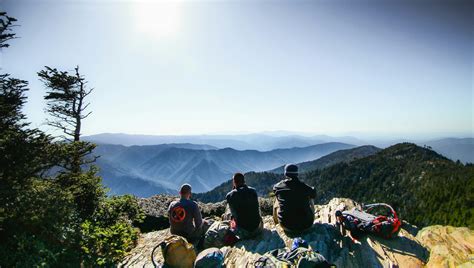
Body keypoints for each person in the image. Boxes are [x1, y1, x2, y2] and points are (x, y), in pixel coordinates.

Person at [273, 164, 316, 234]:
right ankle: (309, 216)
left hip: (286, 225)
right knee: (311, 197)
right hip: (306, 225)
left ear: (285, 173)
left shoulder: (278, 187)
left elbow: (275, 189)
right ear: (297, 173)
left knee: (277, 198)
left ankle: (276, 223)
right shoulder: (304, 187)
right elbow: (314, 193)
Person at [224, 173, 263, 239]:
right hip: (258, 229)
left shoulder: (230, 195)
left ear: (234, 182)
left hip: (243, 233)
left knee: (228, 211)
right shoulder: (253, 191)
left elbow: (233, 214)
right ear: (244, 181)